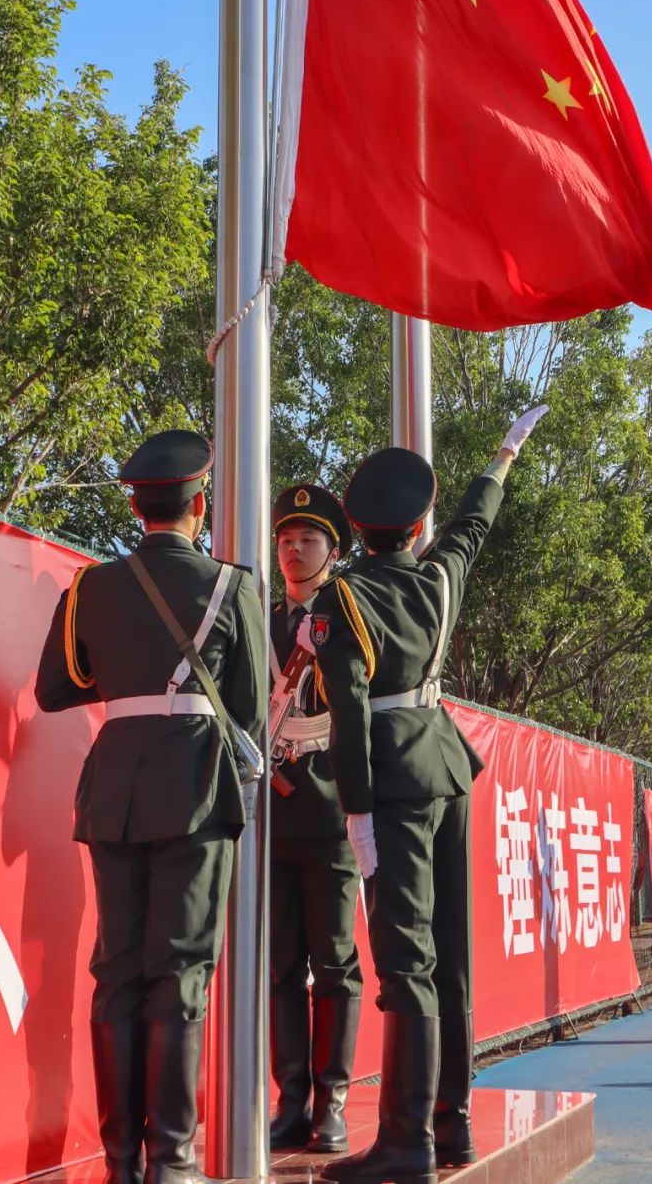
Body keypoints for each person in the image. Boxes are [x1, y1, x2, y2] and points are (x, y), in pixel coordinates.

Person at [306, 406, 548, 1184]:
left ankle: (406, 1140)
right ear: (417, 528)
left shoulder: (341, 599)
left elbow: (349, 716)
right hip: (445, 764)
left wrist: (356, 809)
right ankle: (454, 1124)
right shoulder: (439, 577)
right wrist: (503, 455)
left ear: (354, 528)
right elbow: (474, 524)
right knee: (450, 955)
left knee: (406, 960)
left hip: (394, 782)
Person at [35, 429, 267, 1184]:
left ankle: (121, 1164)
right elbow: (249, 710)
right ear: (200, 505)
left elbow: (56, 688)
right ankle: (173, 1159)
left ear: (138, 507)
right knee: (181, 969)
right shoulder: (232, 586)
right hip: (196, 786)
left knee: (119, 971)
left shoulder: (92, 587)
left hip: (115, 790)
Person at [268, 484, 363, 1153]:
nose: (294, 550)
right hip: (272, 813)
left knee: (333, 961)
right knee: (279, 964)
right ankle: (290, 1098)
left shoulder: (347, 614)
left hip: (330, 811)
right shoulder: (258, 618)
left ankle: (333, 1100)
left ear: (333, 551)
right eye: (285, 539)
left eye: (308, 539)